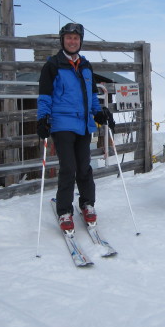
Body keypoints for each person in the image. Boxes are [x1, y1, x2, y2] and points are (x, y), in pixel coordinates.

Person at [36, 22, 114, 232]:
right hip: (62, 123)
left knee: (84, 166)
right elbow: (44, 96)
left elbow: (91, 95)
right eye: (69, 37)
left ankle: (87, 204)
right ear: (63, 40)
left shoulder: (86, 66)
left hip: (84, 123)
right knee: (69, 167)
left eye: (76, 38)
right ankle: (64, 211)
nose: (72, 41)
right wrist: (43, 118)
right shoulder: (53, 65)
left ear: (80, 41)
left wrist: (98, 112)